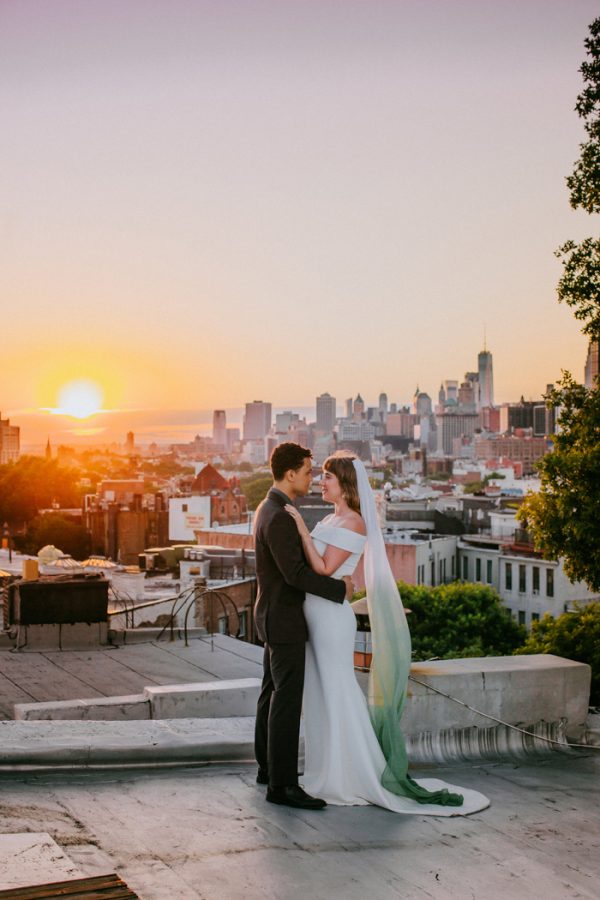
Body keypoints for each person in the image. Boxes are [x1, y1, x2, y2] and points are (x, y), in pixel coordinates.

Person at [285, 453, 490, 816]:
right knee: (319, 694)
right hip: (315, 615)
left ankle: (355, 773)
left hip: (332, 618)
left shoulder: (355, 522)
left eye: (327, 477)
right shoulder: (332, 517)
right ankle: (326, 772)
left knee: (338, 690)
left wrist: (301, 528)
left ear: (345, 484)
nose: (321, 482)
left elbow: (324, 568)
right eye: (320, 476)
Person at [253, 442, 354, 810]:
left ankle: (268, 769)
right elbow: (294, 575)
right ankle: (282, 786)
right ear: (290, 473)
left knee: (270, 695)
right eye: (309, 471)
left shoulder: (270, 507)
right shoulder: (279, 515)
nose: (312, 477)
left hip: (271, 615)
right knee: (285, 702)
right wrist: (338, 589)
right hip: (284, 619)